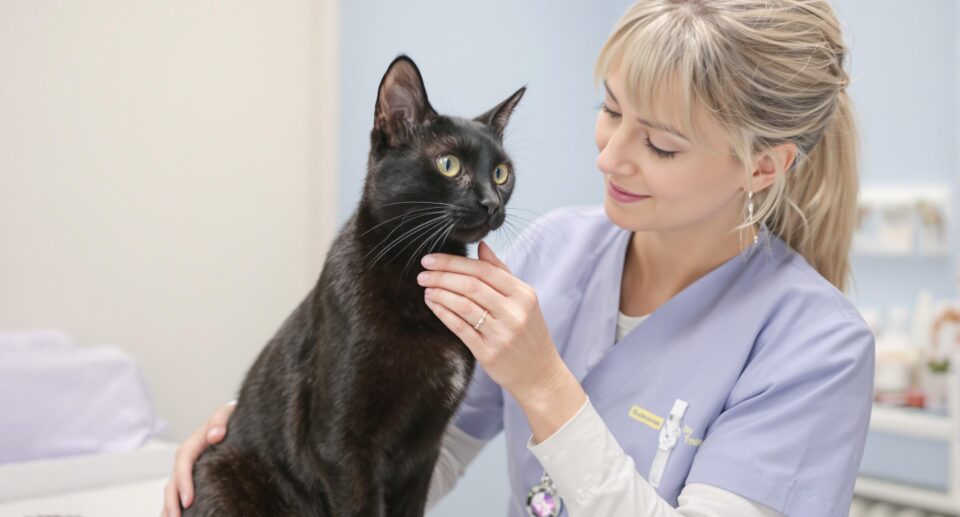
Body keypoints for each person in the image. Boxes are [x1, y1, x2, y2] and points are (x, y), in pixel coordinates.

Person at [163, 0, 873, 516]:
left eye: (660, 143)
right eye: (610, 108)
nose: (610, 153)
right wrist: (267, 444)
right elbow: (416, 456)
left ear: (762, 167)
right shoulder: (549, 252)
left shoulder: (818, 348)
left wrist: (545, 386)